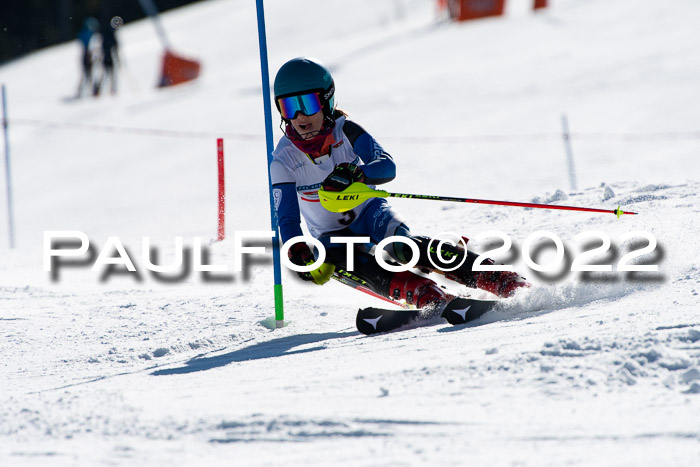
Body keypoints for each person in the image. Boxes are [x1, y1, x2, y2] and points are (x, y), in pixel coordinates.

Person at [270, 57, 529, 309]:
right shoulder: (283, 161)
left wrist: (358, 173)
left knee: (403, 248)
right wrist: (299, 250)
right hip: (330, 237)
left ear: (326, 101)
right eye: (289, 107)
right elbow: (288, 219)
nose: (300, 116)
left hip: (370, 212)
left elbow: (386, 165)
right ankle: (422, 292)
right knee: (338, 258)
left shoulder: (346, 131)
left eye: (308, 103)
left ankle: (497, 278)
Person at [75, 17, 100, 98]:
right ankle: (92, 90)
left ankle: (84, 91)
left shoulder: (83, 33)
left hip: (86, 56)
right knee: (89, 74)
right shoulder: (89, 34)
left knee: (87, 75)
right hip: (89, 56)